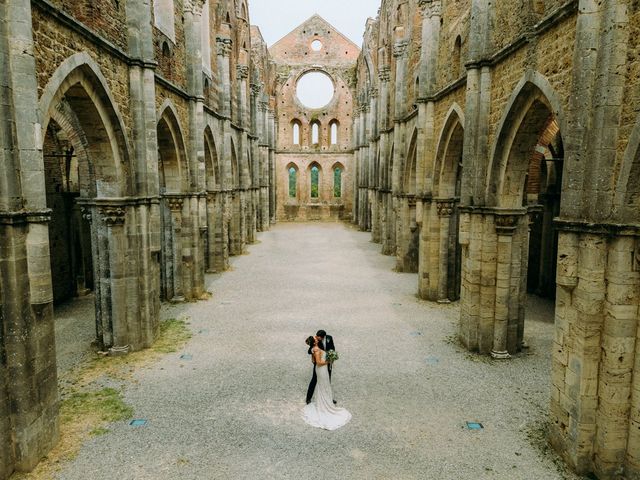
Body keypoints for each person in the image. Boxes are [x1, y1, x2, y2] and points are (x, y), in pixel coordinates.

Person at [302, 335, 351, 430]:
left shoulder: (316, 347)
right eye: (315, 338)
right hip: (321, 368)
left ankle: (326, 399)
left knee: (324, 384)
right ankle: (323, 403)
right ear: (315, 342)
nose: (316, 338)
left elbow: (313, 360)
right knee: (322, 384)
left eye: (317, 337)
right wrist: (328, 361)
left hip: (322, 369)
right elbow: (318, 362)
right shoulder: (315, 349)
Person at [306, 329, 336, 404]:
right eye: (317, 337)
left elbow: (332, 348)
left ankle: (328, 398)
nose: (316, 338)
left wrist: (332, 356)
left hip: (328, 364)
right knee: (314, 380)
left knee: (327, 380)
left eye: (319, 338)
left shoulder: (329, 338)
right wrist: (314, 350)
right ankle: (308, 398)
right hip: (319, 365)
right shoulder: (315, 340)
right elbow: (309, 351)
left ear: (323, 337)